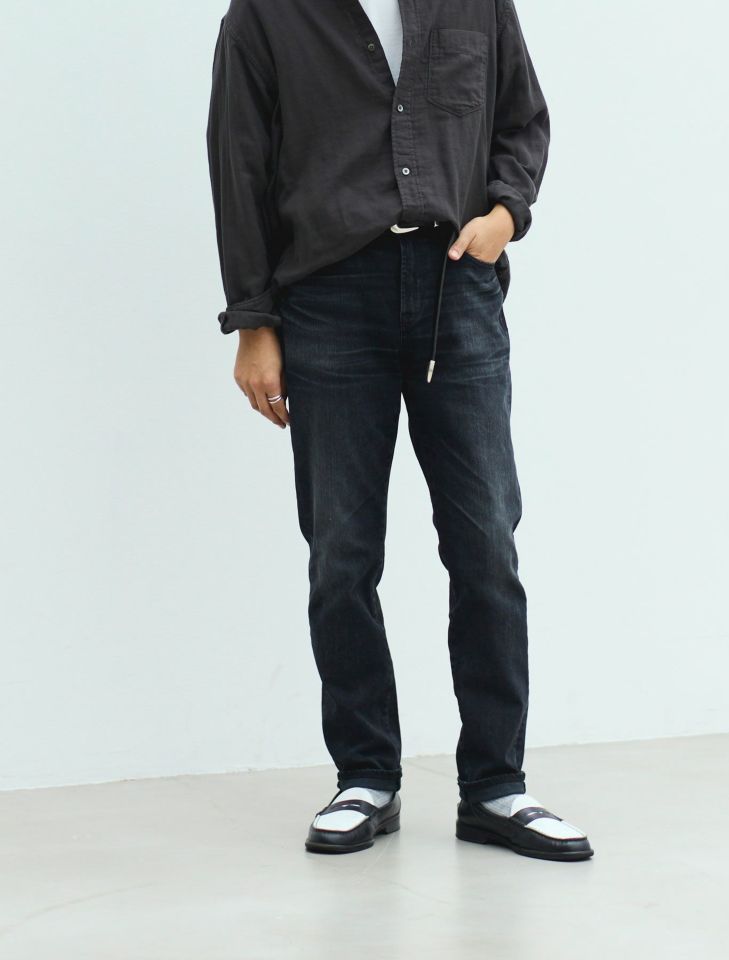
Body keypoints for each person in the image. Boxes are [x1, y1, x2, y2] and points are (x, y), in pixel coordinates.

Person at [206, 0, 593, 861]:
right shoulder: (266, 12)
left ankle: (496, 787)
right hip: (328, 296)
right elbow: (239, 161)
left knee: (486, 542)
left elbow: (522, 116)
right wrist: (253, 322)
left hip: (458, 287)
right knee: (342, 552)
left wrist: (505, 215)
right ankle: (365, 775)